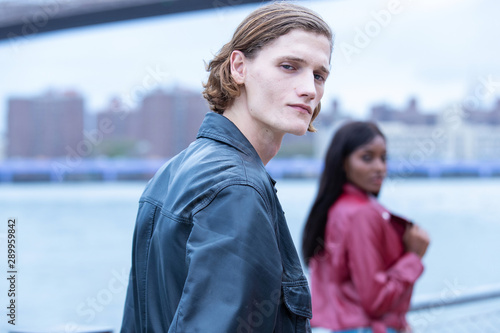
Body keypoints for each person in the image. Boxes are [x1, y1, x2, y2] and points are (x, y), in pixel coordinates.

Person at [120, 3, 333, 332]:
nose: (309, 89)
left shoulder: (174, 170)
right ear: (239, 67)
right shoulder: (238, 189)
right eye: (289, 66)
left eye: (319, 75)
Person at [302, 121, 430, 333]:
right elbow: (376, 301)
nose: (380, 167)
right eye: (367, 157)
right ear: (343, 163)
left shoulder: (335, 209)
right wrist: (413, 258)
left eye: (383, 158)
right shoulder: (363, 214)